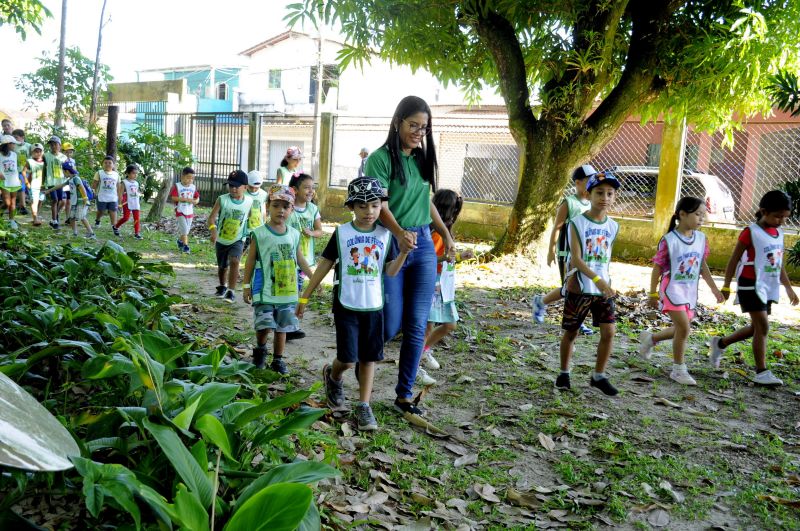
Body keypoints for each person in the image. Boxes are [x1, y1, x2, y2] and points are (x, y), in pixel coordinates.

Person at [363, 95, 455, 415]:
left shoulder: (421, 159)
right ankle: (347, 366)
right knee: (389, 326)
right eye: (413, 125)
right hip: (390, 243)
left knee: (417, 324)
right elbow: (381, 205)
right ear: (397, 122)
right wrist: (400, 233)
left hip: (424, 246)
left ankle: (404, 395)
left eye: (424, 127)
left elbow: (425, 201)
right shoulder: (379, 159)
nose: (418, 132)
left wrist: (443, 232)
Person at [296, 176, 408, 430]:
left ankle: (363, 406)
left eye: (375, 205)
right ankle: (333, 375)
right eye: (362, 206)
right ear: (351, 207)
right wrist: (305, 296)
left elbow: (390, 272)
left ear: (382, 206)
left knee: (370, 358)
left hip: (374, 306)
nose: (369, 211)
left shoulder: (385, 236)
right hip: (346, 305)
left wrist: (403, 253)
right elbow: (324, 264)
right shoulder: (342, 233)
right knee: (347, 359)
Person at [710, 191, 799, 386]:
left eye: (785, 217)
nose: (781, 221)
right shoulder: (750, 232)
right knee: (763, 326)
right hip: (750, 284)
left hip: (768, 286)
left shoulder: (779, 233)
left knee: (755, 328)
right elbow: (734, 259)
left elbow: (778, 264)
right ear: (763, 211)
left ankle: (720, 343)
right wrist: (726, 285)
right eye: (777, 216)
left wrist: (789, 288)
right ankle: (761, 371)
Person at [638, 197, 724, 385]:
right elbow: (657, 268)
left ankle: (650, 339)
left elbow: (702, 266)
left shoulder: (701, 239)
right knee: (684, 329)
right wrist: (652, 293)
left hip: (690, 292)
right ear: (682, 215)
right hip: (672, 290)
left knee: (680, 329)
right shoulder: (669, 240)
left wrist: (714, 289)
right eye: (697, 214)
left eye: (703, 215)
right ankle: (678, 369)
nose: (702, 219)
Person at [556, 171, 621, 396]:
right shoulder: (576, 223)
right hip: (581, 285)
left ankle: (598, 375)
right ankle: (564, 373)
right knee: (571, 332)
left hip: (603, 288)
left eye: (610, 193)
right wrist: (598, 280)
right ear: (589, 194)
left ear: (615, 197)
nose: (605, 197)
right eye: (599, 192)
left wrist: (605, 283)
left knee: (609, 331)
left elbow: (605, 257)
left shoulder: (613, 226)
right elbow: (576, 259)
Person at [242, 185, 313, 374]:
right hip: (264, 288)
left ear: (291, 209)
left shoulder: (294, 234)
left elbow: (300, 259)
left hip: (287, 290)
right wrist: (246, 284)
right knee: (264, 324)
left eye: (285, 206)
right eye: (276, 205)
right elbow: (250, 260)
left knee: (283, 327)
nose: (281, 210)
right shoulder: (259, 233)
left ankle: (278, 360)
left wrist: (313, 278)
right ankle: (260, 350)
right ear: (268, 206)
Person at [417, 189, 474, 386]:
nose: (455, 214)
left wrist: (458, 257)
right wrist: (447, 258)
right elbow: (427, 258)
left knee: (448, 325)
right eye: (454, 209)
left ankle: (423, 352)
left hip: (442, 282)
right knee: (429, 327)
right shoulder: (432, 230)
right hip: (430, 282)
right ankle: (414, 366)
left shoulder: (445, 230)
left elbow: (444, 258)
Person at [533, 165, 595, 335]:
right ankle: (575, 321)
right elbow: (557, 227)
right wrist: (551, 250)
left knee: (577, 288)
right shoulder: (569, 203)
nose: (593, 184)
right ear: (578, 182)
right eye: (589, 180)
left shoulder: (591, 203)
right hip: (566, 253)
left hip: (584, 255)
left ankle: (541, 301)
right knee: (571, 288)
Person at [287, 172, 324, 341]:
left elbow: (320, 231)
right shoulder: (288, 207)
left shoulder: (313, 209)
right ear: (294, 190)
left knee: (297, 291)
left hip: (306, 259)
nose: (311, 191)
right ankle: (289, 326)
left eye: (313, 188)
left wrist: (312, 232)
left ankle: (288, 325)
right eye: (307, 187)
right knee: (292, 291)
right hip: (289, 258)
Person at [208, 170, 254, 302]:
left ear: (245, 187)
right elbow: (211, 219)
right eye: (231, 185)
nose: (233, 189)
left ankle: (231, 291)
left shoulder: (249, 201)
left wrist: (250, 231)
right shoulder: (222, 200)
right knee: (222, 266)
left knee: (235, 261)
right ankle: (222, 286)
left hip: (238, 239)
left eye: (237, 186)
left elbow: (249, 217)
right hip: (222, 239)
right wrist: (213, 231)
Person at [44, 160, 95, 238]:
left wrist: (85, 198)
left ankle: (91, 233)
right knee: (71, 218)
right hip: (74, 202)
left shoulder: (76, 179)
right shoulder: (70, 179)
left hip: (81, 202)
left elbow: (81, 188)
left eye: (63, 171)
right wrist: (49, 190)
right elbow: (60, 185)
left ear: (67, 171)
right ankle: (75, 233)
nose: (63, 173)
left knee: (82, 217)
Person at [170, 167, 200, 253]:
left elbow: (197, 198)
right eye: (188, 177)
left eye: (192, 178)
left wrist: (195, 201)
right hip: (180, 211)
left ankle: (180, 241)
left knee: (186, 230)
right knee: (184, 230)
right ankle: (186, 246)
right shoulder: (177, 186)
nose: (190, 180)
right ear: (182, 176)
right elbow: (173, 197)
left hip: (190, 211)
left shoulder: (193, 187)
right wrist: (185, 199)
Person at [43, 136, 67, 229]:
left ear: (59, 145)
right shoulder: (46, 155)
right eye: (51, 144)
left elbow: (66, 170)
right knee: (55, 200)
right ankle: (55, 221)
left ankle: (55, 216)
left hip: (61, 182)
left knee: (61, 201)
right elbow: (44, 169)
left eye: (55, 144)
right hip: (50, 182)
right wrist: (42, 182)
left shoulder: (64, 157)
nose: (53, 146)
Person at [113, 164, 143, 239]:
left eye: (136, 173)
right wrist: (119, 203)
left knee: (137, 218)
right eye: (133, 173)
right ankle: (116, 226)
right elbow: (120, 193)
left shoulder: (136, 183)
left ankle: (137, 233)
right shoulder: (124, 182)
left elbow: (136, 192)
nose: (135, 175)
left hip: (135, 203)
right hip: (127, 202)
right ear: (128, 173)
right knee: (126, 218)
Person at [93, 156, 120, 229]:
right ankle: (97, 220)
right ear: (102, 164)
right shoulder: (99, 173)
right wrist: (94, 192)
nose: (107, 164)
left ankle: (114, 226)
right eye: (105, 163)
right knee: (101, 211)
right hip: (101, 196)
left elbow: (118, 186)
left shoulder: (116, 174)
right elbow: (94, 184)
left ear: (113, 165)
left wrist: (119, 196)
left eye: (110, 163)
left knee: (113, 211)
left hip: (113, 197)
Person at [0, 135, 20, 229]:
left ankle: (11, 220)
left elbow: (15, 167)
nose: (14, 146)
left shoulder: (14, 154)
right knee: (7, 203)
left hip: (14, 181)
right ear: (8, 144)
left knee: (13, 202)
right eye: (13, 144)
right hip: (4, 181)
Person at [25, 143, 45, 226]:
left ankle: (36, 215)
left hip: (43, 185)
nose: (38, 153)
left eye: (39, 151)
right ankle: (35, 218)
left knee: (40, 200)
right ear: (32, 152)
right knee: (34, 202)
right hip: (33, 184)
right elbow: (24, 172)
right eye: (35, 151)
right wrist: (27, 183)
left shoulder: (44, 161)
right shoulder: (30, 161)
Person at [244, 169, 268, 236]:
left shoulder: (264, 194)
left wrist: (264, 223)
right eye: (251, 187)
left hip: (259, 228)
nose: (254, 190)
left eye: (256, 188)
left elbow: (264, 210)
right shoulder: (243, 193)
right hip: (245, 229)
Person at [12, 129, 30, 216]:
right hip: (17, 171)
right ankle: (22, 207)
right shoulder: (13, 146)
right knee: (21, 187)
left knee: (25, 188)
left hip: (27, 171)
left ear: (22, 137)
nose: (14, 139)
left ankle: (20, 205)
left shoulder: (28, 146)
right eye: (13, 137)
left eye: (16, 137)